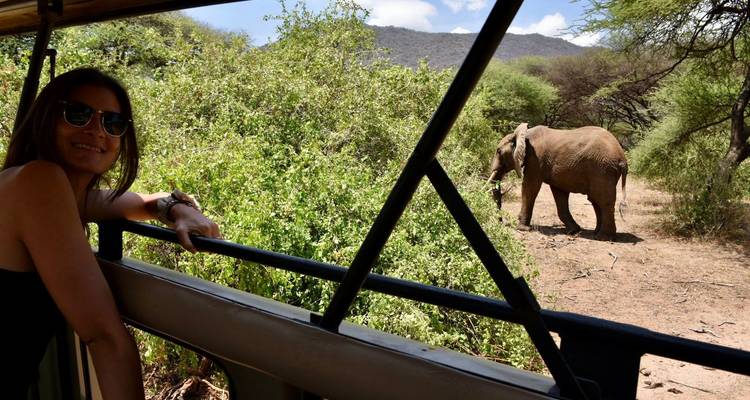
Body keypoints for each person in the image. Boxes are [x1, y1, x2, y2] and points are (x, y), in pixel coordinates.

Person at [0, 67, 221, 399]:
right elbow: (104, 336)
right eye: (78, 114)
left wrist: (179, 210)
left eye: (112, 123)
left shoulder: (59, 194)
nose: (96, 130)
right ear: (46, 118)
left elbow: (145, 202)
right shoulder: (39, 182)